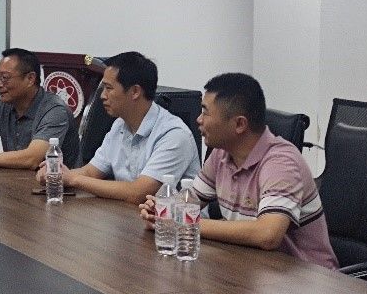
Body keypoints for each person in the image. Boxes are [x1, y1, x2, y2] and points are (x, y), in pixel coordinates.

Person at [140, 72, 338, 267]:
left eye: (205, 112)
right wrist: (161, 212)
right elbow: (188, 203)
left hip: (307, 277)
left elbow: (268, 234)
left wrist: (182, 221)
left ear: (240, 124)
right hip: (251, 268)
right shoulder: (221, 154)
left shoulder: (281, 163)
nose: (199, 119)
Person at [39, 51, 198, 204]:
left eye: (109, 88)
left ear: (135, 92)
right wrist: (56, 173)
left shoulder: (174, 135)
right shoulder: (119, 125)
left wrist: (73, 179)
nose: (102, 96)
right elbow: (90, 172)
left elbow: (139, 193)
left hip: (176, 222)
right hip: (126, 216)